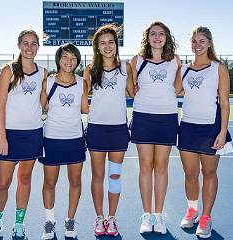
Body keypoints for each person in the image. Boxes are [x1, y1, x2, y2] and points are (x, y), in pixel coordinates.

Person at [0, 29, 46, 239]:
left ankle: (18, 223)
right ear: (19, 45)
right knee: (3, 182)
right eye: (25, 43)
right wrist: (2, 136)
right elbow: (0, 106)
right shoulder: (8, 70)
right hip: (10, 135)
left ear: (39, 47)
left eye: (34, 43)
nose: (30, 47)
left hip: (33, 134)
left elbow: (43, 103)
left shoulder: (43, 72)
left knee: (25, 179)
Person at [177, 26, 233, 238]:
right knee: (190, 174)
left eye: (202, 41)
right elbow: (174, 91)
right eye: (194, 41)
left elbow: (225, 103)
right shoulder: (183, 69)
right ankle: (192, 210)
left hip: (211, 128)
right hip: (188, 127)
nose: (197, 45)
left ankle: (206, 217)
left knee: (209, 173)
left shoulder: (219, 68)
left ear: (209, 43)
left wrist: (222, 131)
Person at [129, 21, 181, 234]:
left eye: (161, 34)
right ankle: (146, 214)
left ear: (167, 37)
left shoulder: (175, 61)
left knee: (161, 167)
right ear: (147, 37)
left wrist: (164, 99)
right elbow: (131, 89)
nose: (157, 37)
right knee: (145, 166)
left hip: (167, 118)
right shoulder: (137, 60)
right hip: (143, 117)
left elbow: (178, 88)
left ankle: (158, 216)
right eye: (153, 34)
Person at [83, 24, 135, 237]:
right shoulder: (89, 69)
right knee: (97, 175)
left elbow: (133, 92)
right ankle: (99, 218)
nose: (107, 47)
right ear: (97, 46)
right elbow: (82, 98)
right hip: (96, 129)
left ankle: (111, 219)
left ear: (116, 44)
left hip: (118, 131)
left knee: (114, 176)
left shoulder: (126, 67)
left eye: (111, 42)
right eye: (102, 43)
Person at [39, 43, 89, 240]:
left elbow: (85, 109)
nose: (69, 61)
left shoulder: (82, 83)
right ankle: (50, 221)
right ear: (58, 60)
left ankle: (70, 220)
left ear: (77, 61)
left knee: (75, 181)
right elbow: (40, 107)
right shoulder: (47, 82)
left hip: (75, 138)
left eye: (73, 58)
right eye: (65, 57)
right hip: (51, 138)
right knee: (50, 182)